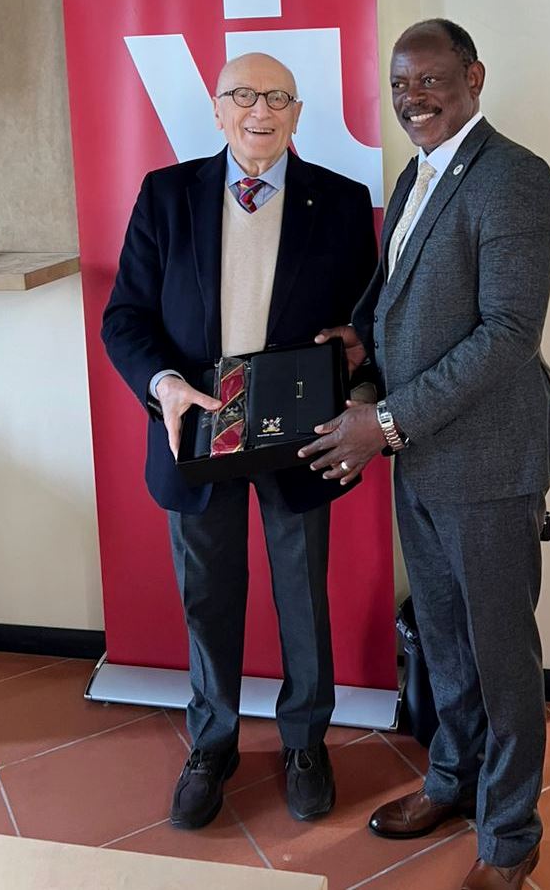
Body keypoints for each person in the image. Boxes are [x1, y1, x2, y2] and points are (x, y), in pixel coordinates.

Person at [300, 19, 550, 890]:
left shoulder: (517, 179)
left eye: (429, 79)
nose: (412, 97)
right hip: (420, 459)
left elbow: (507, 337)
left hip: (489, 465)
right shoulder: (416, 174)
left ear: (473, 76)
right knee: (447, 645)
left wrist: (381, 424)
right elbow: (405, 308)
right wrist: (362, 345)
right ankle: (452, 781)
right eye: (399, 84)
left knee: (501, 658)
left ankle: (510, 835)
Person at [102, 52, 377, 829]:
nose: (261, 110)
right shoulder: (165, 195)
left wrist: (357, 352)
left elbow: (371, 319)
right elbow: (124, 317)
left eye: (278, 98)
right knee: (207, 596)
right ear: (218, 111)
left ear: (296, 115)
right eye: (244, 96)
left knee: (302, 597)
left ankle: (304, 740)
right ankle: (213, 740)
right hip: (196, 430)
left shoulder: (345, 201)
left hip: (300, 437)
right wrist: (161, 385)